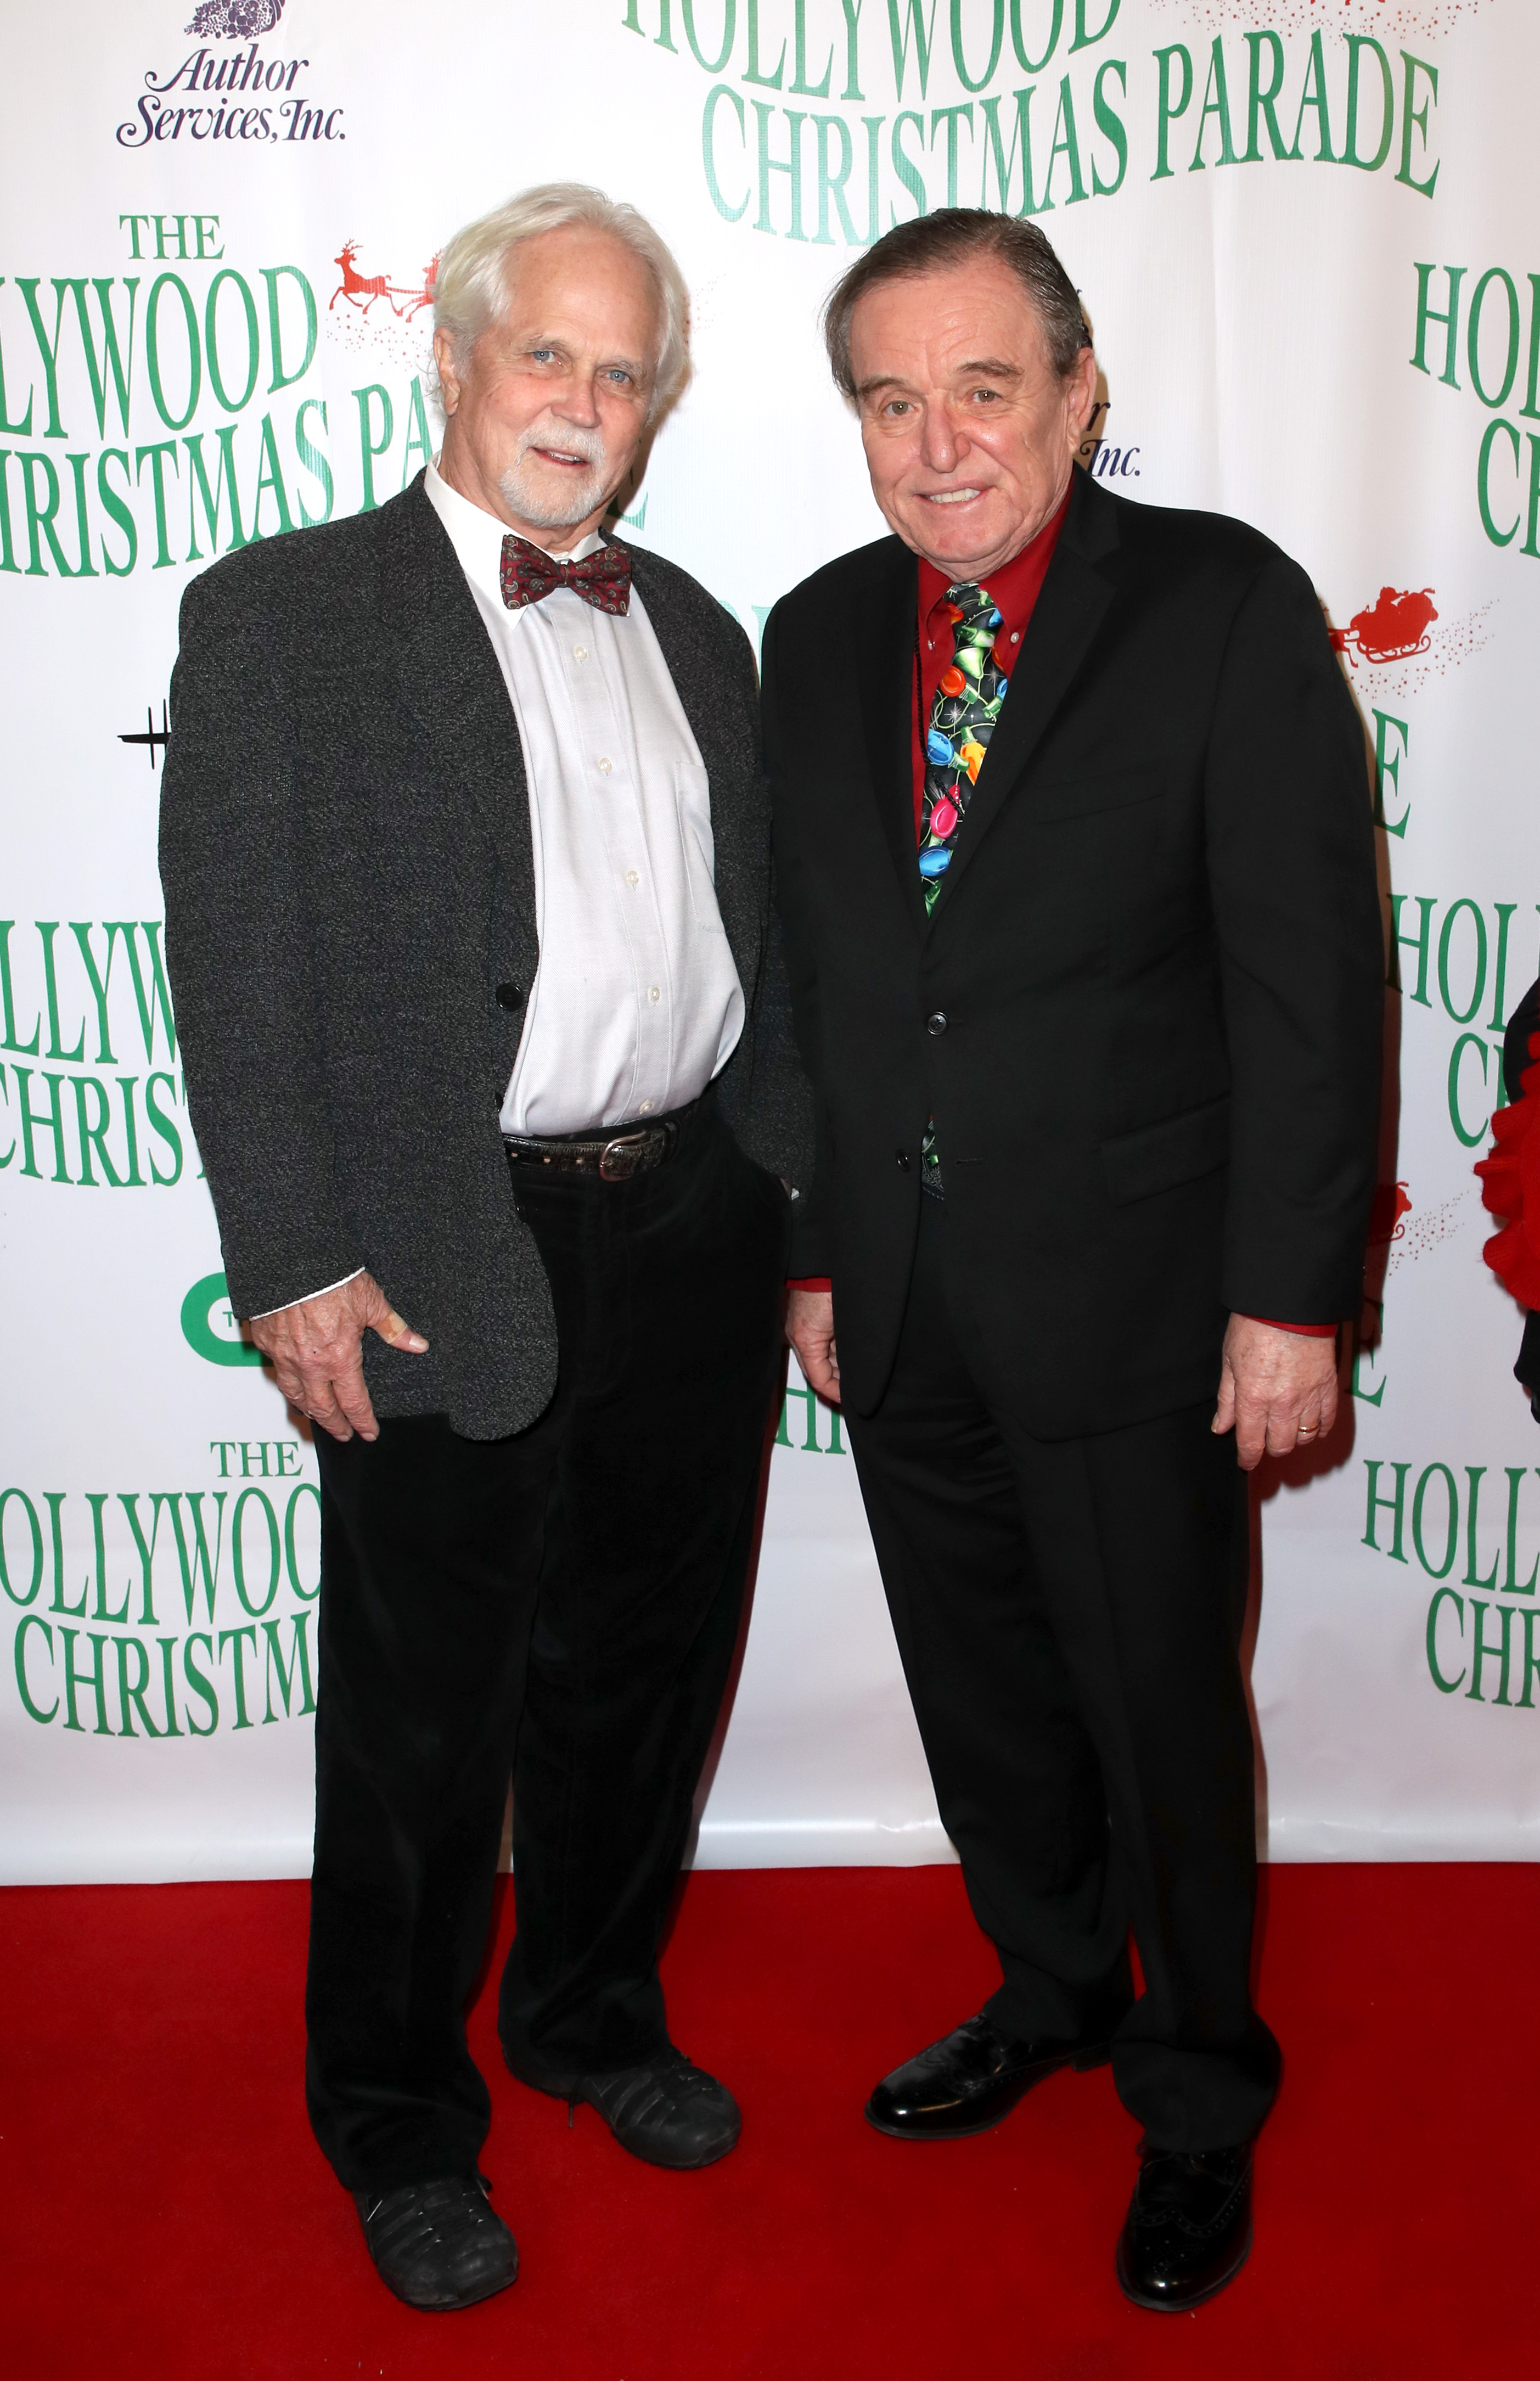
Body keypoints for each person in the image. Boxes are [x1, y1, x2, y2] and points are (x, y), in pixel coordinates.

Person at [160, 183, 808, 2314]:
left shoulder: (694, 625)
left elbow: (761, 958)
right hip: (443, 1231)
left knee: (644, 1674)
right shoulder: (286, 613)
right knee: (428, 1720)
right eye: (551, 355)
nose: (585, 404)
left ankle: (592, 2017)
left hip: (694, 1220)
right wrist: (292, 1254)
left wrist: (790, 1210)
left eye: (625, 373)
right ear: (452, 357)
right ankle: (399, 2119)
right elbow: (235, 967)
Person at [767, 209, 1382, 2313]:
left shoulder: (1219, 604)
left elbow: (1313, 984)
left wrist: (1291, 1294)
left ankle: (1199, 2082)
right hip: (903, 1298)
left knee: (1156, 1711)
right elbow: (825, 982)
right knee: (986, 1690)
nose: (939, 443)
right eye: (889, 398)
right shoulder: (817, 631)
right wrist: (823, 1255)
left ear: (1080, 393)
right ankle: (1049, 1987)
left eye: (984, 387)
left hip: (1142, 1301)